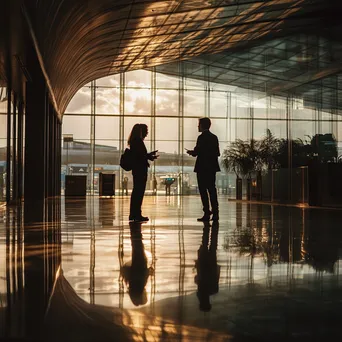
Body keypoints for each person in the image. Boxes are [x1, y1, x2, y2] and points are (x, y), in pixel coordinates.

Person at [186, 117, 220, 221]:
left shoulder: (201, 138)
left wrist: (192, 152)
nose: (197, 126)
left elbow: (197, 152)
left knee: (203, 191)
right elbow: (217, 153)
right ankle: (215, 213)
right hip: (212, 168)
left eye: (198, 125)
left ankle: (206, 212)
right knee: (212, 190)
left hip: (202, 168)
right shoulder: (214, 137)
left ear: (202, 125)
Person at [128, 123, 158, 222]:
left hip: (137, 170)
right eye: (145, 131)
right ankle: (137, 214)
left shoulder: (134, 141)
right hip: (140, 170)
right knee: (139, 192)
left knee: (137, 192)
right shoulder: (138, 141)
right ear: (141, 131)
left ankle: (134, 214)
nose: (147, 133)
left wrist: (149, 155)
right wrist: (149, 156)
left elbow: (139, 155)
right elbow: (141, 156)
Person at [194, 222, 220, 311]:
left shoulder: (213, 290)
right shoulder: (201, 293)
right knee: (206, 244)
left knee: (212, 245)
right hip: (205, 265)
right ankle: (209, 227)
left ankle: (211, 227)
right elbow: (199, 277)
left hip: (210, 265)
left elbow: (216, 276)